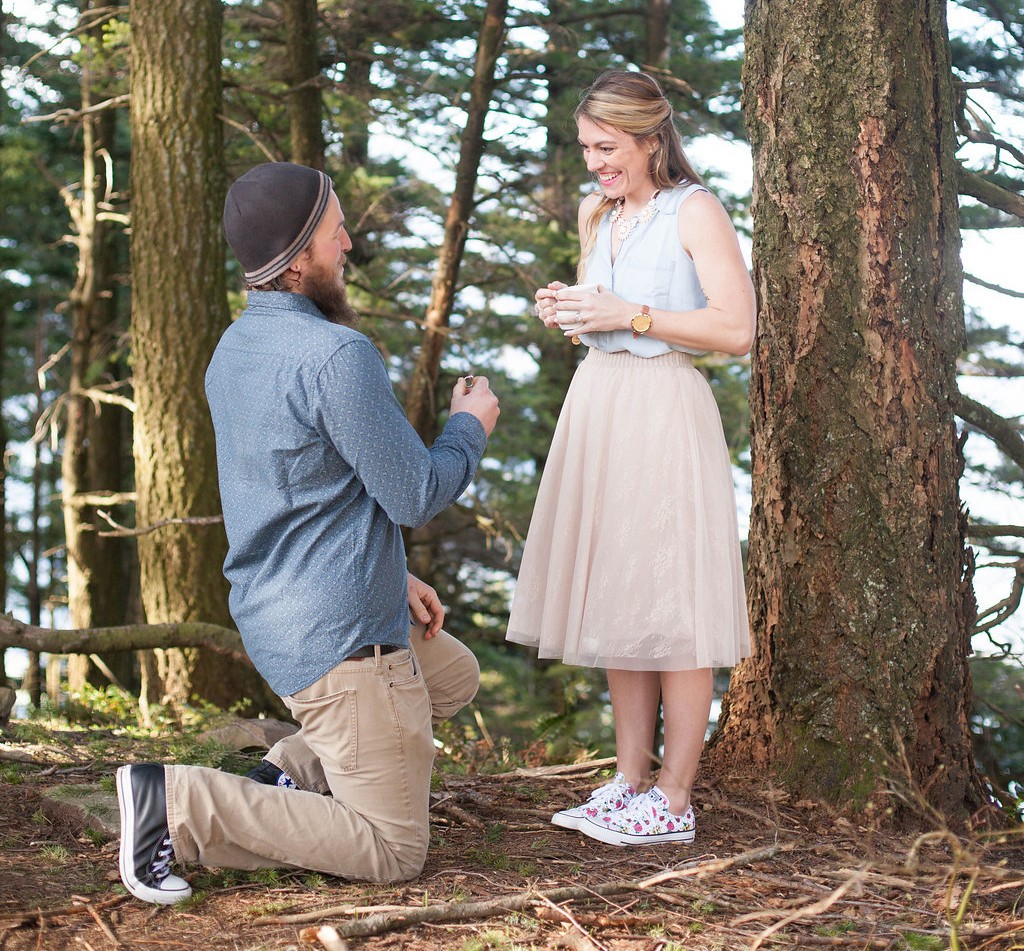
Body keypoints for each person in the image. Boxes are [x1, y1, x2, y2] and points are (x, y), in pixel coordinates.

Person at [115, 162, 500, 904]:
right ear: (297, 262)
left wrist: (392, 573)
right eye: (336, 232)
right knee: (395, 849)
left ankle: (290, 768)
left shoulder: (234, 348)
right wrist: (467, 427)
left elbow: (303, 491)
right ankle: (177, 804)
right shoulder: (335, 356)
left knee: (453, 675)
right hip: (343, 637)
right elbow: (416, 492)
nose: (349, 242)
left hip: (279, 614)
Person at [506, 71, 755, 846]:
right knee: (620, 595)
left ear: (651, 139)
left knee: (674, 603)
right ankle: (629, 778)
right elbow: (603, 313)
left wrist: (632, 314)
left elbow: (737, 329)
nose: (595, 163)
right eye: (586, 148)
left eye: (607, 147)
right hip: (600, 404)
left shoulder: (698, 210)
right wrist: (572, 309)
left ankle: (674, 800)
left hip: (662, 407)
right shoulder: (597, 213)